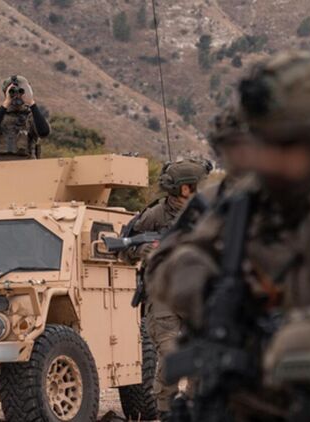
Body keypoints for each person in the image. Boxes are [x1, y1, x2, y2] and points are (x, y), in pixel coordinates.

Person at [150, 50, 310, 420]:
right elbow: (167, 263)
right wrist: (216, 292)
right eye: (262, 143)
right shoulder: (249, 199)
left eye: (285, 146)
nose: (268, 161)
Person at [122, 158, 210, 421]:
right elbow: (124, 247)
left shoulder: (208, 212)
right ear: (185, 188)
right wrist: (146, 250)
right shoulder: (155, 215)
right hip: (163, 296)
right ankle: (165, 411)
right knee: (172, 356)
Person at [0, 75, 50, 161]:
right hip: (3, 165)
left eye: (21, 92)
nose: (17, 96)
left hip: (28, 165)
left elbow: (44, 132)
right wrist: (6, 103)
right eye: (12, 92)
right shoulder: (0, 116)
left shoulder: (31, 116)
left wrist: (31, 102)